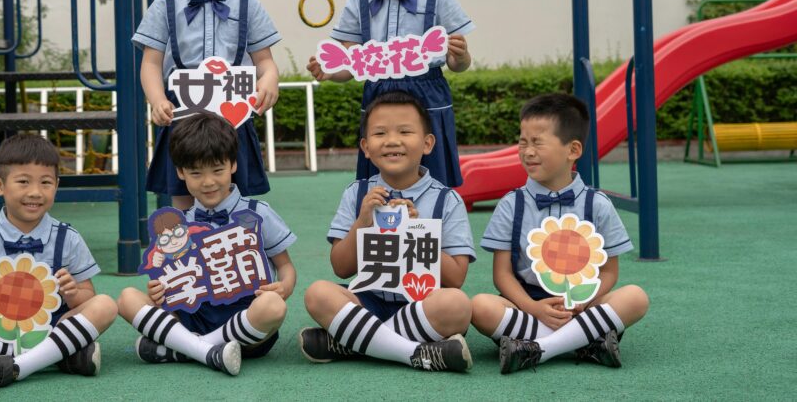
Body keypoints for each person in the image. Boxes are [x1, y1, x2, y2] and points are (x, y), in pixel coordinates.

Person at [471, 93, 649, 373]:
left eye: (538, 142)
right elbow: (502, 275)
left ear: (573, 150)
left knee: (635, 297)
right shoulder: (511, 204)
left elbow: (610, 273)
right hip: (528, 304)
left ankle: (538, 349)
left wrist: (585, 300)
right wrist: (533, 307)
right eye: (523, 142)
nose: (528, 151)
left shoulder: (597, 204)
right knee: (481, 307)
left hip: (583, 305)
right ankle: (586, 341)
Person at [307, 0, 474, 187]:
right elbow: (350, 66)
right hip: (378, 99)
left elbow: (459, 64)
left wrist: (459, 57)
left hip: (428, 98)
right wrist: (330, 72)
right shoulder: (358, 0)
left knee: (434, 188)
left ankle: (434, 233)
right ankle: (382, 233)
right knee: (379, 188)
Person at [300, 91, 474, 373]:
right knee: (317, 293)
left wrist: (414, 231)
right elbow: (341, 268)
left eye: (405, 131)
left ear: (427, 143)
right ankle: (413, 352)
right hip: (368, 300)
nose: (393, 141)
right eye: (380, 133)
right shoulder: (357, 193)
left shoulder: (447, 200)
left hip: (423, 304)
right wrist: (362, 223)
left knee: (457, 305)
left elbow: (455, 278)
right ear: (366, 147)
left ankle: (355, 341)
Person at [118, 112, 298, 376]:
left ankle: (187, 349)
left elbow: (286, 267)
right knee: (126, 299)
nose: (209, 182)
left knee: (274, 306)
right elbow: (167, 279)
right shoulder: (175, 226)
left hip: (248, 326)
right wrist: (158, 291)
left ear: (233, 164)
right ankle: (206, 351)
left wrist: (283, 287)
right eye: (196, 173)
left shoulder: (257, 213)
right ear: (180, 172)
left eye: (217, 170)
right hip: (193, 318)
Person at [134, 0, 281, 210]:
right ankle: (185, 256)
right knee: (183, 201)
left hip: (233, 119)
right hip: (183, 120)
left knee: (237, 202)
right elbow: (150, 63)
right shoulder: (164, 5)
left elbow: (265, 62)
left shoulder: (248, 5)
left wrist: (269, 82)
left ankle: (236, 254)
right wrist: (157, 99)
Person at [0, 134, 119, 390]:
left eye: (46, 182)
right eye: (23, 182)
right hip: (2, 333)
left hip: (55, 327)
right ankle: (62, 357)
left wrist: (72, 294)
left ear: (56, 186)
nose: (35, 192)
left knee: (105, 305)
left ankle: (11, 366)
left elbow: (88, 296)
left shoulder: (68, 238)